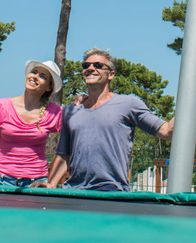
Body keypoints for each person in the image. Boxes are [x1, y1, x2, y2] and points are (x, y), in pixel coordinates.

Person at [48, 49, 176, 192]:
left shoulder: (129, 104)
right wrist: (51, 184)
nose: (90, 68)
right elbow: (63, 154)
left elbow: (167, 132)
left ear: (111, 74)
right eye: (86, 65)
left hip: (111, 191)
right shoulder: (71, 110)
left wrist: (192, 95)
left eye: (98, 65)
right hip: (74, 190)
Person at [0, 59, 63, 187]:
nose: (35, 77)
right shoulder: (1, 105)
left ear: (49, 87)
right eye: (34, 72)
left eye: (42, 76)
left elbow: (66, 149)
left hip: (36, 184)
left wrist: (52, 182)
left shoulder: (55, 112)